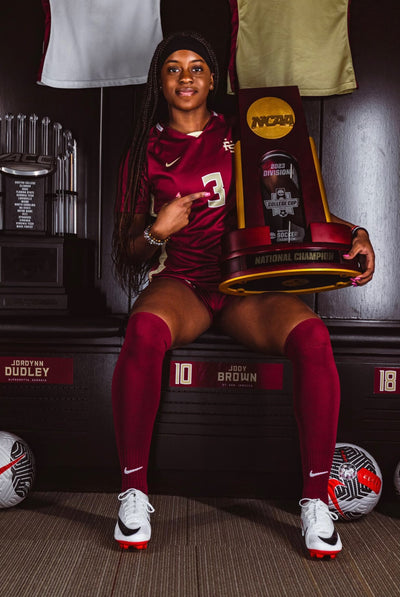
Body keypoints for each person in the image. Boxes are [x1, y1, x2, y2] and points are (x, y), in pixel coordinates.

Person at [111, 31, 375, 557]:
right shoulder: (145, 149)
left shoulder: (242, 131)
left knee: (313, 337)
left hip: (246, 284)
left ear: (213, 79)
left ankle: (315, 500)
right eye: (173, 68)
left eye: (196, 67)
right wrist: (159, 230)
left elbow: (295, 204)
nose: (185, 76)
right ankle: (133, 493)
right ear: (160, 83)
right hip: (184, 282)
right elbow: (129, 251)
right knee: (142, 330)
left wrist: (356, 234)